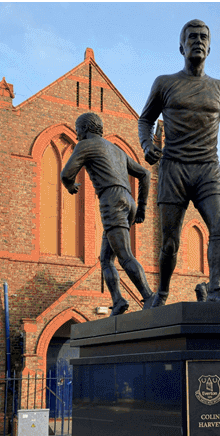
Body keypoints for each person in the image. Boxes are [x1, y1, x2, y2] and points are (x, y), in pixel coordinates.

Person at [138, 19, 220, 306]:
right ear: (181, 46)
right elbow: (146, 119)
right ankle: (161, 293)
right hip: (173, 168)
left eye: (203, 37)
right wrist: (147, 143)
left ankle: (214, 290)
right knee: (169, 242)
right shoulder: (165, 83)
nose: (198, 40)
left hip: (207, 170)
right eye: (192, 36)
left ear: (210, 47)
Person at [60, 113, 156, 315]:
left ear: (85, 129)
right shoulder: (117, 150)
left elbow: (66, 174)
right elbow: (144, 174)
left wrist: (70, 186)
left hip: (111, 200)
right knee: (105, 259)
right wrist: (141, 207)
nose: (76, 134)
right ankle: (119, 301)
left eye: (78, 129)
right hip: (128, 201)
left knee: (124, 255)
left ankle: (150, 296)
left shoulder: (85, 146)